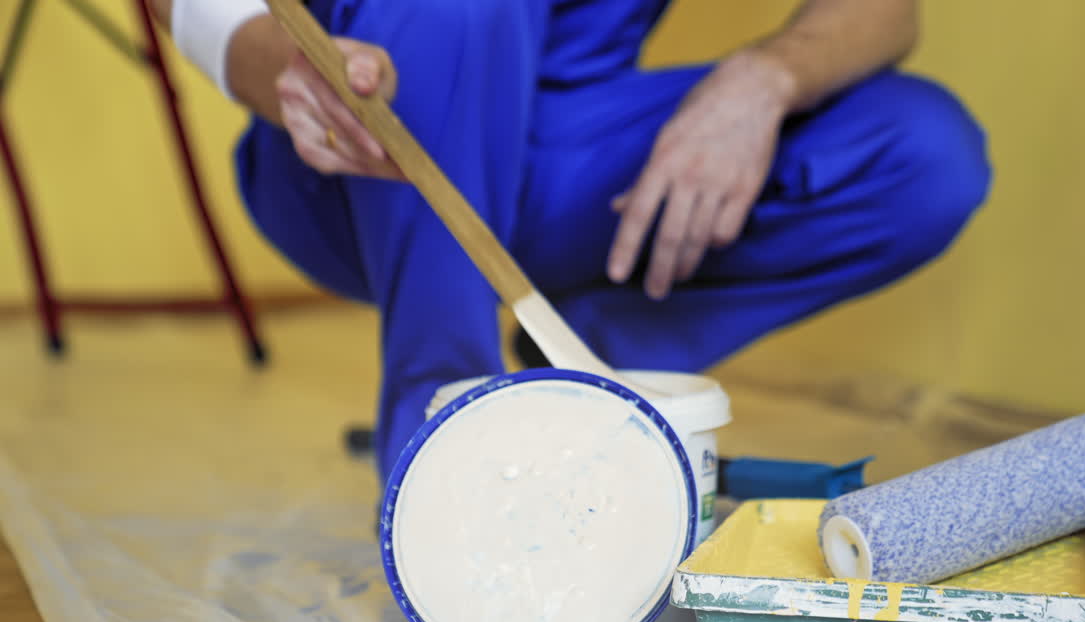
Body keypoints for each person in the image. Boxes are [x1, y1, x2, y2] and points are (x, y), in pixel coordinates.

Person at [148, 0, 991, 481]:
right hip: (361, 154)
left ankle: (586, 362)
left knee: (922, 155)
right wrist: (281, 67)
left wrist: (761, 81)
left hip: (577, 161)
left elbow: (883, 11)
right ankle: (442, 436)